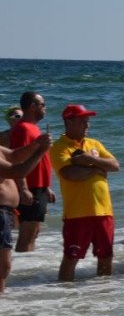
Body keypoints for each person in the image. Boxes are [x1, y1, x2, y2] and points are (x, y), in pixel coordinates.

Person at [50, 104, 120, 282]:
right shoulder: (59, 147)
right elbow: (70, 174)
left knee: (106, 256)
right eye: (82, 120)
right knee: (71, 257)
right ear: (69, 121)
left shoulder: (94, 144)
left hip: (104, 211)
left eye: (87, 120)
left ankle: (103, 294)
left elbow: (114, 165)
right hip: (77, 213)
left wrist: (89, 159)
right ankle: (65, 296)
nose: (87, 124)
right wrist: (97, 169)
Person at [0, 132, 52, 292]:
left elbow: (15, 155)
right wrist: (41, 151)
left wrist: (36, 143)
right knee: (3, 266)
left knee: (3, 266)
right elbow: (18, 171)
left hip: (6, 212)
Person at [10, 91, 57, 253]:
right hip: (30, 187)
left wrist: (47, 187)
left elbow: (39, 159)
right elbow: (17, 159)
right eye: (42, 105)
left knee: (34, 231)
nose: (45, 108)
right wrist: (23, 188)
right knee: (27, 234)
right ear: (32, 106)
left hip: (39, 187)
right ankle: (19, 275)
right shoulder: (23, 128)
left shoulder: (33, 128)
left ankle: (29, 275)